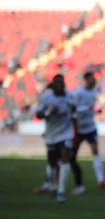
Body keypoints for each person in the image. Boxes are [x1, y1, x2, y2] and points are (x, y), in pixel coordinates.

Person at [34, 75, 75, 204]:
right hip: (51, 134)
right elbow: (38, 114)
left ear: (64, 84)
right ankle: (51, 186)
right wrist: (48, 112)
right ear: (53, 85)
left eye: (61, 84)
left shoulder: (70, 96)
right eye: (56, 84)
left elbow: (73, 110)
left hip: (66, 133)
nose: (59, 86)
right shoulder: (46, 97)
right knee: (52, 163)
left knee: (64, 159)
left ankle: (61, 191)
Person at [69, 72, 105, 195]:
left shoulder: (94, 92)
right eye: (92, 79)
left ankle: (101, 179)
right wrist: (86, 109)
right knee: (72, 156)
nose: (94, 81)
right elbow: (72, 109)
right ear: (86, 80)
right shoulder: (78, 93)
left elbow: (91, 108)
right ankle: (76, 184)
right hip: (78, 128)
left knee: (95, 151)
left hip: (90, 127)